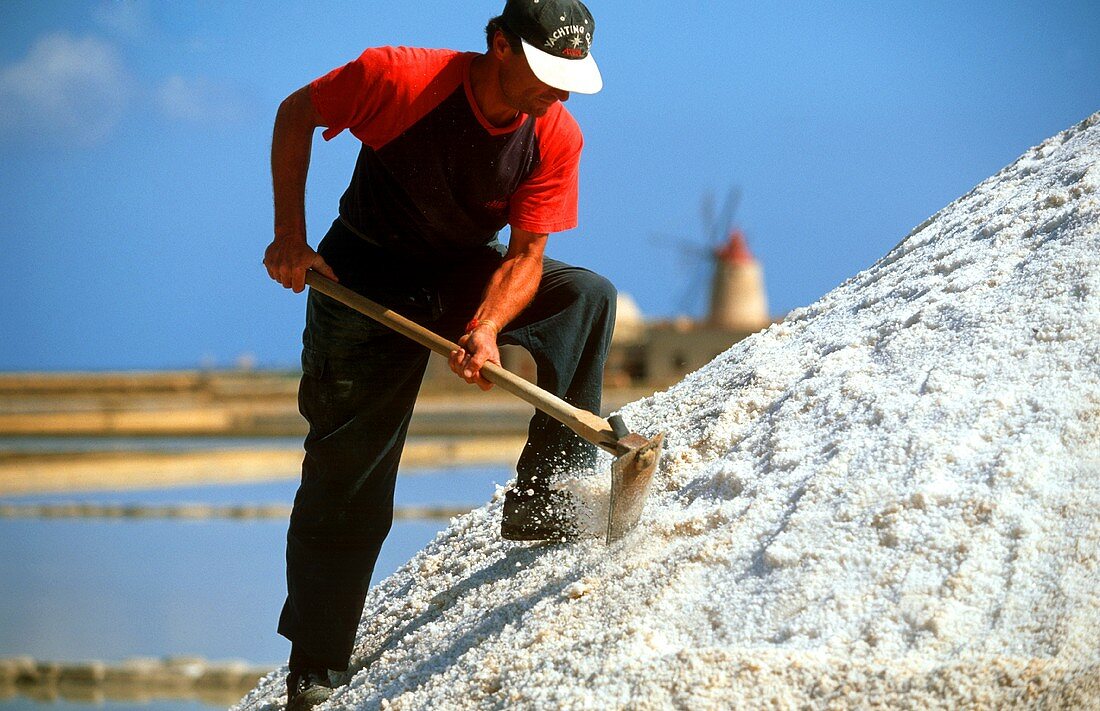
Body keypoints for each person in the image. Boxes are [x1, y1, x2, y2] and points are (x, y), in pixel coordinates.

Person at [262, 0, 613, 707]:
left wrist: (485, 327)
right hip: (360, 275)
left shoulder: (556, 136)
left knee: (585, 295)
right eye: (547, 72)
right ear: (499, 47)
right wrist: (290, 236)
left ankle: (544, 492)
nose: (561, 91)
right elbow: (295, 113)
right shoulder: (396, 78)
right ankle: (316, 666)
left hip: (459, 270)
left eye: (570, 77)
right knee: (350, 477)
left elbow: (526, 256)